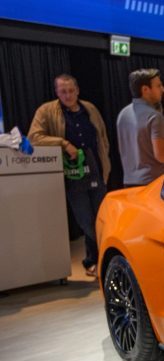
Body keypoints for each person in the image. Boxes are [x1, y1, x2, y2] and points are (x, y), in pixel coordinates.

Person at [28, 74, 110, 277]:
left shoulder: (89, 108)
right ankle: (99, 259)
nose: (68, 95)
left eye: (71, 90)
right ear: (56, 92)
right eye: (63, 91)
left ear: (78, 90)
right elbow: (34, 137)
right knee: (86, 220)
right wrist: (63, 144)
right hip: (71, 173)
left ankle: (94, 260)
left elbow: (102, 136)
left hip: (95, 167)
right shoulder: (47, 111)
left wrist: (105, 163)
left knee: (102, 216)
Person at [116, 68, 164, 186]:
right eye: (158, 86)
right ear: (145, 90)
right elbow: (160, 155)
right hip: (151, 184)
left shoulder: (122, 114)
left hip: (128, 183)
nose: (163, 89)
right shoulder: (155, 116)